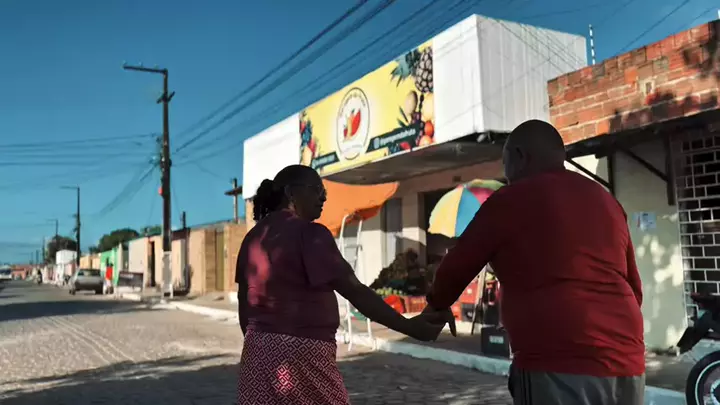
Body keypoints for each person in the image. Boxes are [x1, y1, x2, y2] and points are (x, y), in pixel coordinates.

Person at [424, 120, 645, 405]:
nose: (506, 173)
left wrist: (436, 305)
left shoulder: (511, 199)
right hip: (628, 361)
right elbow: (633, 286)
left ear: (519, 156)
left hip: (557, 358)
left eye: (505, 162)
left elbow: (457, 266)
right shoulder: (606, 200)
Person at [235, 164, 447, 405]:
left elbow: (244, 305)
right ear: (291, 193)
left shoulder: (253, 238)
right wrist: (410, 327)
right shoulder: (310, 234)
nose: (323, 197)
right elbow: (355, 291)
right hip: (302, 358)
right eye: (316, 189)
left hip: (256, 356)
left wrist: (265, 346)